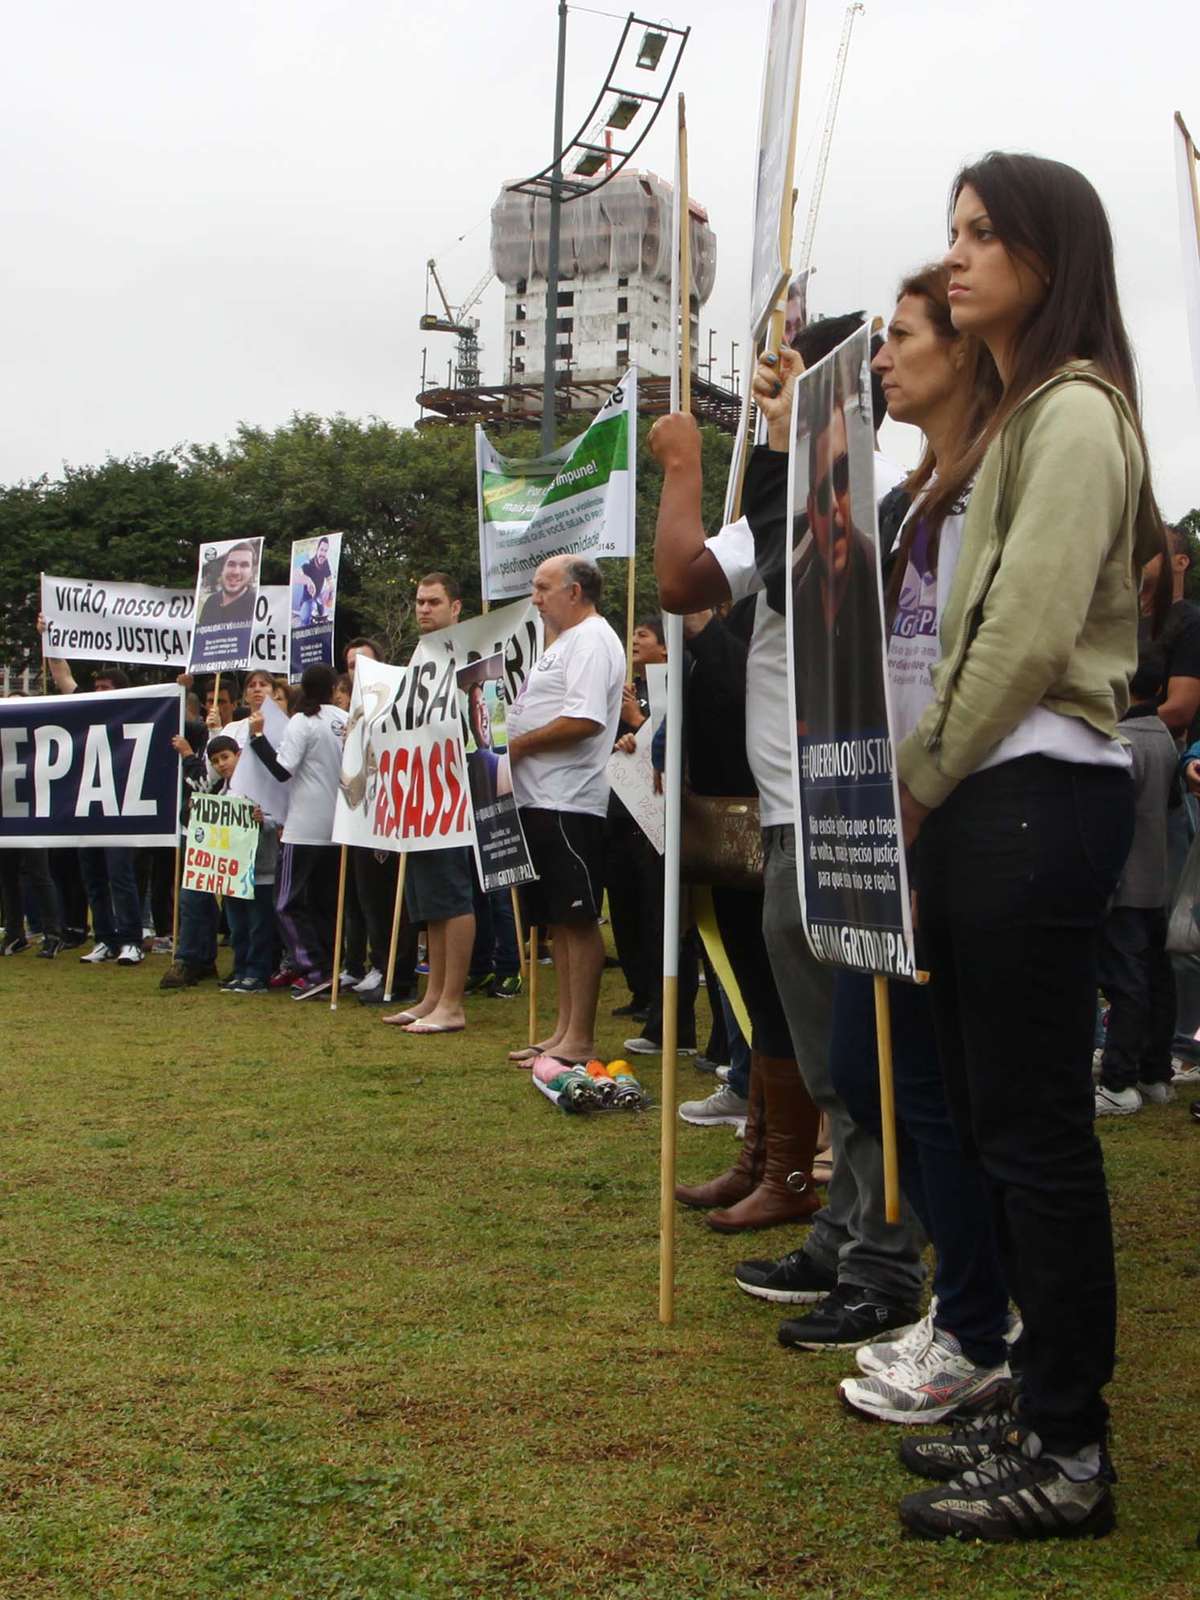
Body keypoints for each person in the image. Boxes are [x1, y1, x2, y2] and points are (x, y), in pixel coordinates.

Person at [890, 152, 1165, 1544]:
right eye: (952, 234)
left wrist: (919, 782)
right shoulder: (1015, 420)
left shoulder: (1074, 416)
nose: (956, 260)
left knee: (1037, 1135)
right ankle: (1035, 1398)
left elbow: (1024, 635)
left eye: (985, 236)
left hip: (1029, 798)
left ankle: (1070, 1451)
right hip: (990, 802)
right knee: (1003, 1127)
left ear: (1051, 261)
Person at [651, 310, 926, 1352]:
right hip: (796, 810)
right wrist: (770, 438)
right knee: (829, 1055)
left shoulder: (832, 504)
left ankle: (880, 1260)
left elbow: (684, 579)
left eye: (792, 379)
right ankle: (847, 1235)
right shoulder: (808, 496)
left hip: (831, 814)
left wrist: (684, 459)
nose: (774, 392)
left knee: (858, 1065)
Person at [793, 265, 1013, 1422]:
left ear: (963, 354)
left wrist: (920, 789)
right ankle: (968, 1302)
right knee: (892, 1081)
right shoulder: (914, 499)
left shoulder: (991, 487)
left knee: (958, 1099)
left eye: (904, 338)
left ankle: (986, 1317)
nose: (882, 361)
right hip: (889, 831)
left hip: (961, 820)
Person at [505, 556, 625, 1065]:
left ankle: (580, 1037)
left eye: (542, 588)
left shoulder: (593, 640)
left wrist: (518, 747)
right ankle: (562, 1031)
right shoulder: (564, 643)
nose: (535, 598)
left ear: (574, 593)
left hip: (569, 800)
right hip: (541, 798)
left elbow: (585, 719)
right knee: (557, 921)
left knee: (577, 920)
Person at [383, 573, 477, 1035]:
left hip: (450, 788)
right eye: (419, 601)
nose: (423, 609)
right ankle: (434, 995)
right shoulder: (422, 653)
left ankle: (453, 1002)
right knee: (428, 900)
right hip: (418, 792)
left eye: (433, 602)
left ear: (455, 606)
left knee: (451, 893)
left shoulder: (465, 650)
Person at [1093, 665, 1180, 1114]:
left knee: (1127, 986)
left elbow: (1111, 819)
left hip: (1124, 885)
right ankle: (1155, 1071)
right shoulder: (1165, 737)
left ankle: (1118, 1080)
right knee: (1156, 980)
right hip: (1157, 879)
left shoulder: (1121, 743)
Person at [35, 616, 144, 965]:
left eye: (106, 687)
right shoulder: (84, 707)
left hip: (120, 804)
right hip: (87, 804)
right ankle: (106, 939)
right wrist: (49, 636)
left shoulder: (135, 712)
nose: (98, 693)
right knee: (93, 877)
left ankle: (131, 940)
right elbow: (62, 676)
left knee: (120, 876)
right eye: (96, 688)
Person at [248, 663, 347, 1000]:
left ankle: (315, 968)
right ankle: (334, 967)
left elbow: (282, 770)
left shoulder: (302, 722)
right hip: (337, 827)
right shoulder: (344, 720)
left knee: (286, 902)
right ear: (334, 688)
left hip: (304, 828)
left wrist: (259, 739)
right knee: (325, 905)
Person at [197, 543, 257, 631]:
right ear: (223, 569)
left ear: (252, 572)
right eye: (231, 564)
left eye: (244, 565)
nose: (236, 572)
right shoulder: (211, 601)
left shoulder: (255, 603)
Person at [295, 535, 335, 627]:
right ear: (317, 550)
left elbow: (330, 580)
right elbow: (296, 575)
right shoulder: (309, 563)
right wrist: (308, 580)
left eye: (325, 551)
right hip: (307, 598)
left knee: (323, 618)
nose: (323, 553)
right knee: (304, 620)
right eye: (321, 550)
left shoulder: (325, 562)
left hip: (318, 597)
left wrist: (329, 590)